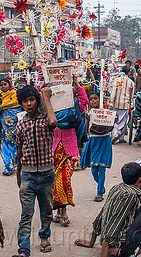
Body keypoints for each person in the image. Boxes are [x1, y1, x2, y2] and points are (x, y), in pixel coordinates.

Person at [15, 84, 57, 257]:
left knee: (46, 211)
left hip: (47, 174)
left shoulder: (46, 120)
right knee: (26, 214)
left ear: (37, 100)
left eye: (32, 100)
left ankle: (44, 236)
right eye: (25, 101)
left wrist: (46, 98)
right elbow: (19, 152)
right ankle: (24, 249)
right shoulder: (20, 126)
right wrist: (18, 174)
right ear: (21, 104)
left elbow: (54, 122)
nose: (29, 104)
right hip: (28, 175)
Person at [74, 162, 141, 257]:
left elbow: (102, 214)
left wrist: (91, 242)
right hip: (114, 239)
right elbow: (117, 221)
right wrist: (107, 245)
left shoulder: (117, 188)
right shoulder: (131, 195)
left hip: (106, 233)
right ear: (140, 179)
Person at [52, 76, 88, 227]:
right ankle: (59, 211)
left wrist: (77, 84)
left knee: (64, 181)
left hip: (69, 150)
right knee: (56, 181)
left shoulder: (74, 108)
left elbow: (84, 100)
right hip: (53, 150)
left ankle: (63, 211)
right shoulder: (51, 108)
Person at [81, 93, 114, 202]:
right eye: (91, 99)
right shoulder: (89, 112)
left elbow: (114, 122)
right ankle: (101, 184)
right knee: (94, 169)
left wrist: (113, 114)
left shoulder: (106, 111)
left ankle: (99, 192)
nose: (93, 101)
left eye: (95, 98)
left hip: (104, 140)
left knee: (102, 168)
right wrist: (87, 118)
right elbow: (86, 128)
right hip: (94, 141)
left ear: (99, 99)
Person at [0, 78, 22, 175]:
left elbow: (20, 108)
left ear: (9, 85)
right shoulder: (0, 97)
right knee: (5, 144)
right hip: (4, 127)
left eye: (5, 84)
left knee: (17, 144)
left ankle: (16, 163)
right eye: (1, 85)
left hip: (15, 125)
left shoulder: (15, 95)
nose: (3, 86)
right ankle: (8, 166)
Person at [109, 66, 135, 144]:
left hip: (116, 103)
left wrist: (111, 102)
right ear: (129, 72)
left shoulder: (117, 80)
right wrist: (130, 103)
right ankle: (120, 137)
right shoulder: (131, 82)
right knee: (123, 121)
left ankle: (115, 134)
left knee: (115, 120)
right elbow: (131, 95)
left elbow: (113, 92)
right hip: (125, 104)